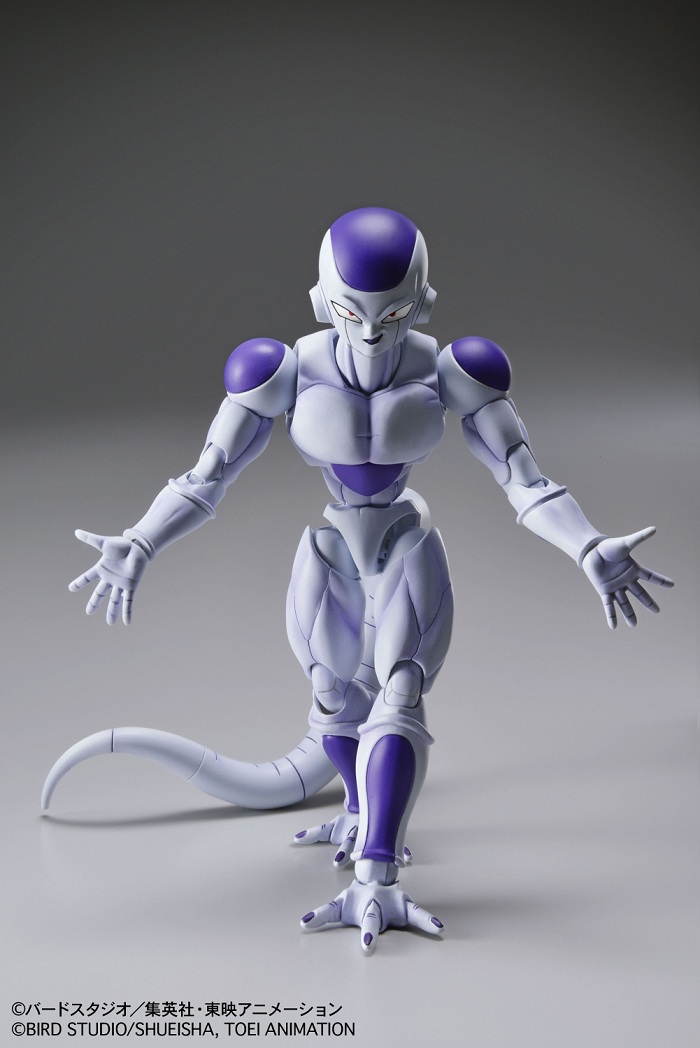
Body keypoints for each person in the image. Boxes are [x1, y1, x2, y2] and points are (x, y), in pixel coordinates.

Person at [43, 207, 673, 953]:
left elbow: (524, 480)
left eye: (393, 313)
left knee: (400, 692)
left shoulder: (454, 370)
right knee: (333, 695)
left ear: (422, 303)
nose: (372, 332)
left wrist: (586, 545)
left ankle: (377, 875)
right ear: (321, 301)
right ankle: (358, 806)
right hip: (332, 543)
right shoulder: (279, 370)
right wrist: (142, 541)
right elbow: (206, 477)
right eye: (352, 311)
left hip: (406, 539)